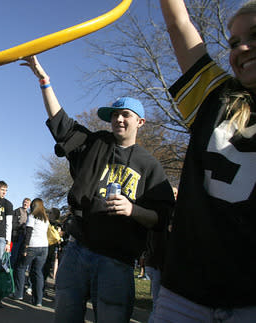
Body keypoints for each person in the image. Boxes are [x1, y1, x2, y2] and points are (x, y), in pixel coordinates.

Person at [22, 56, 175, 323]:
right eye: (114, 115)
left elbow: (162, 217)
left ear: (140, 122)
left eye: (125, 114)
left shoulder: (150, 166)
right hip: (78, 250)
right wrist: (44, 81)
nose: (118, 119)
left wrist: (133, 209)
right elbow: (61, 125)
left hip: (117, 262)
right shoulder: (95, 144)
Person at [156, 1, 256, 321]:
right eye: (232, 42)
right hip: (184, 292)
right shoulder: (214, 96)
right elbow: (178, 24)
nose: (241, 47)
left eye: (254, 34)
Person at [13, 198, 49, 307]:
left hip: (32, 246)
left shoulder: (32, 217)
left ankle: (18, 294)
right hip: (44, 247)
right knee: (37, 272)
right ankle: (38, 300)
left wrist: (25, 247)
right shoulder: (46, 219)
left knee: (20, 267)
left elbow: (28, 233)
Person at [10, 198, 31, 268]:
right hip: (16, 236)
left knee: (20, 256)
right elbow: (12, 224)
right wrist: (21, 226)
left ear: (29, 205)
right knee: (14, 255)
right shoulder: (16, 211)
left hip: (24, 237)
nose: (25, 204)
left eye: (27, 203)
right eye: (24, 202)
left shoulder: (28, 215)